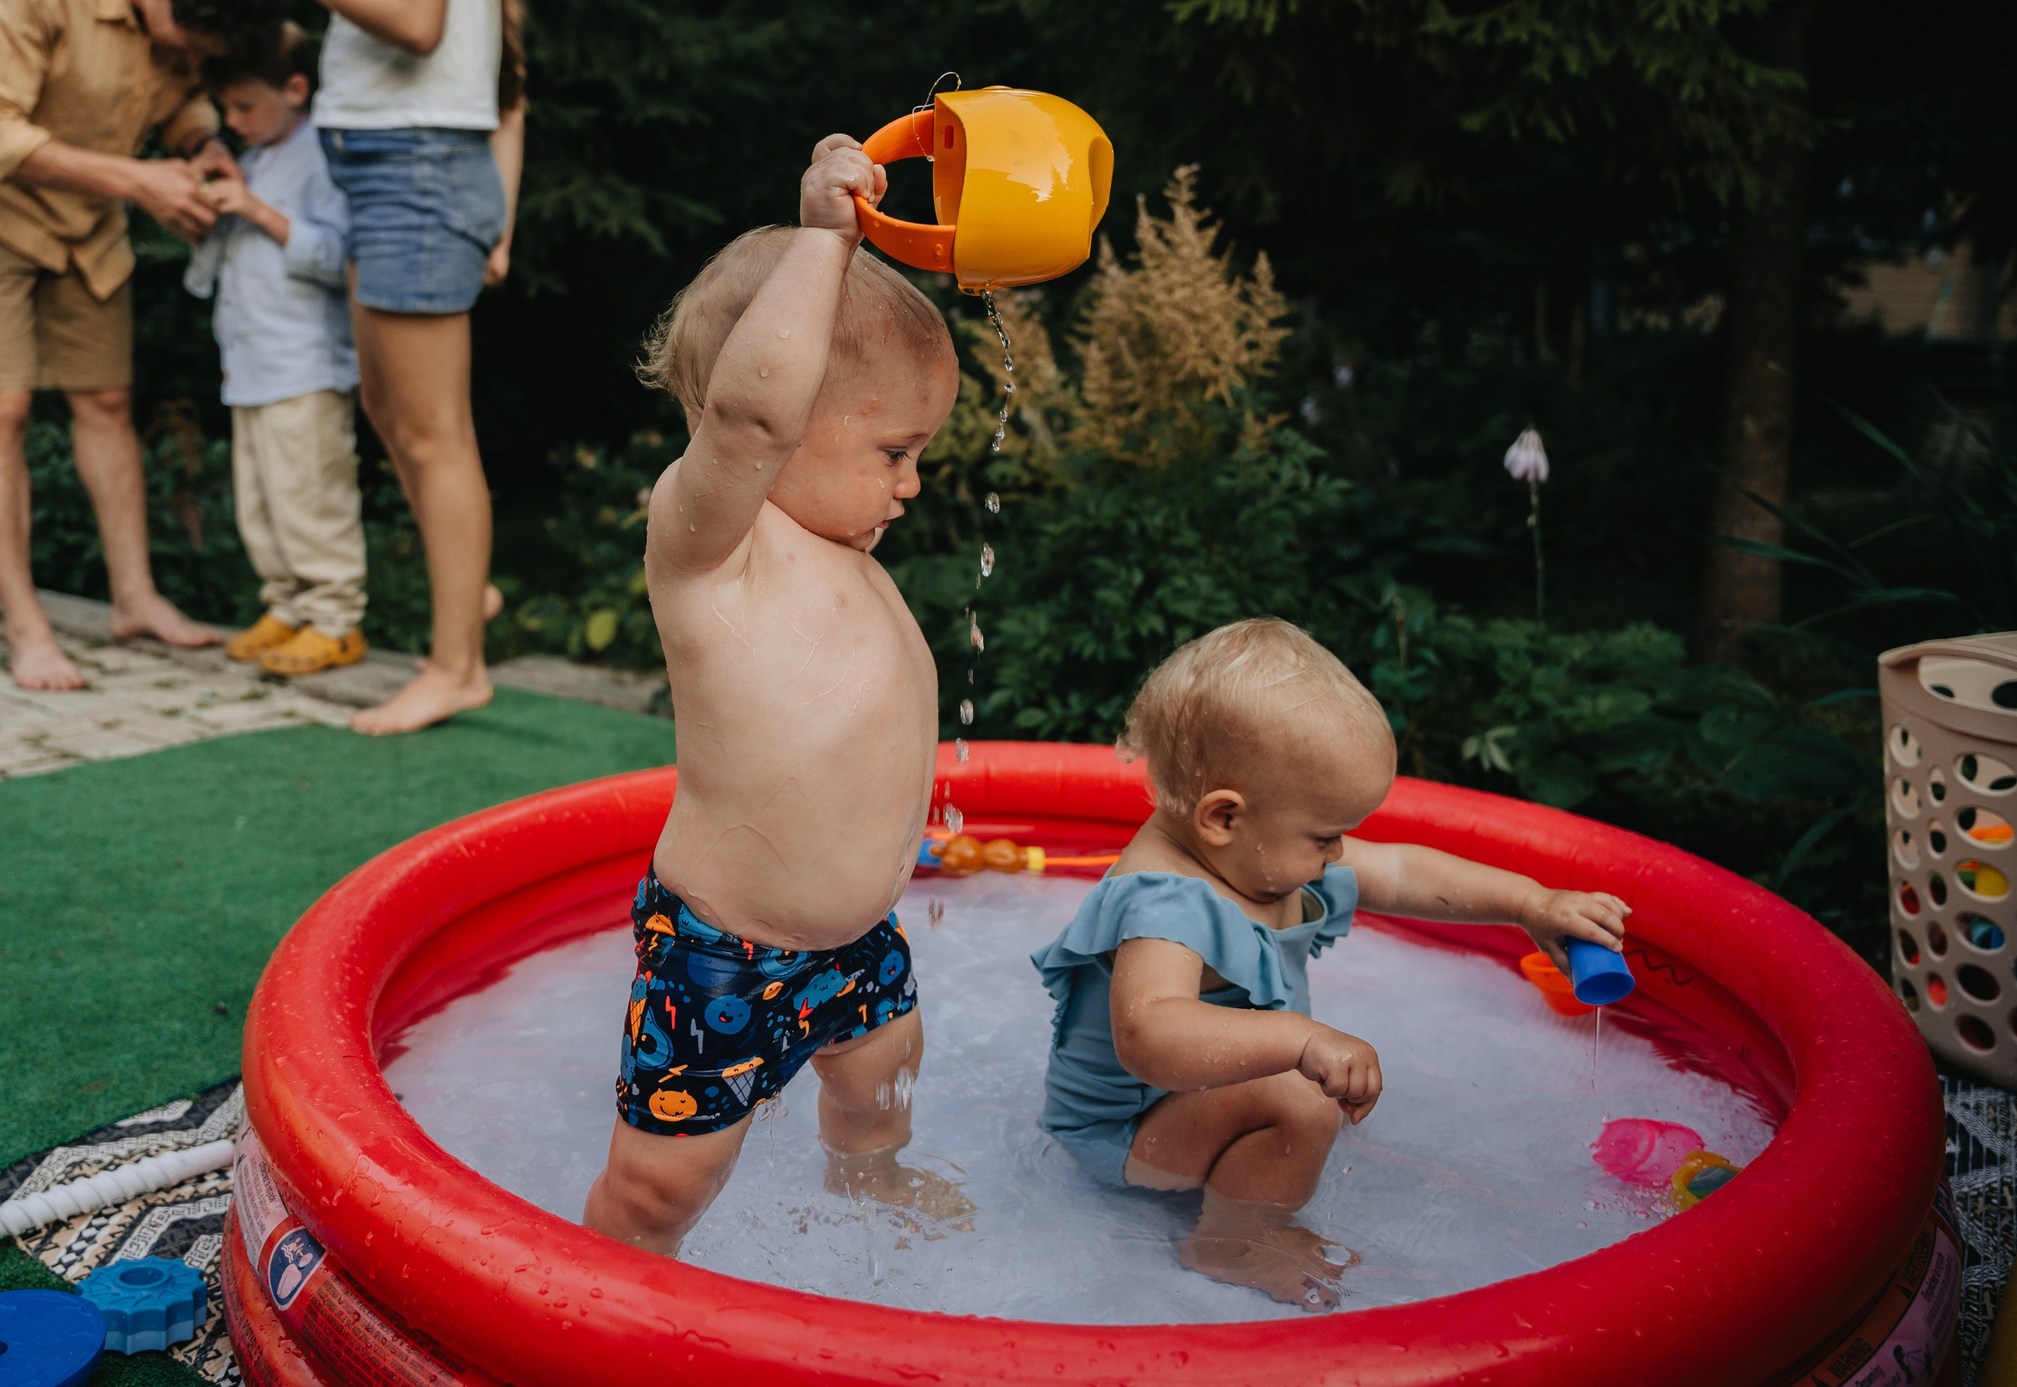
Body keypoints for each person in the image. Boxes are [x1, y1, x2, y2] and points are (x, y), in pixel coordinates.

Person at [578, 137, 970, 1257]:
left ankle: (869, 1186)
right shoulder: (712, 550)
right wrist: (824, 240)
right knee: (666, 1182)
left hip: (858, 940)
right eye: (896, 449)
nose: (914, 481)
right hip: (728, 953)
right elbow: (749, 420)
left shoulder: (847, 553)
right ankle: (603, 1285)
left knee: (881, 1084)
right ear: (782, 420)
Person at [1034, 619, 1634, 1310]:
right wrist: (1301, 1041)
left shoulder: (1260, 853)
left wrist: (1529, 902)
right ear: (1223, 817)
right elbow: (1150, 1035)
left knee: (1300, 1090)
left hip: (1186, 1111)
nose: (1340, 851)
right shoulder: (1166, 900)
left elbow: (1402, 869)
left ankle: (1254, 1158)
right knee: (1301, 1093)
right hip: (1124, 1136)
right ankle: (1231, 1238)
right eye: (1326, 835)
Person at [217, 0, 526, 735]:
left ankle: (456, 667)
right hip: (389, 174)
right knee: (395, 412)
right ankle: (460, 588)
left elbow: (416, 23)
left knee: (432, 432)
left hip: (413, 174)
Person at [0, 0, 290, 691]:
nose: (189, 61)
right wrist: (138, 181)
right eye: (186, 46)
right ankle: (26, 626)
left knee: (108, 398)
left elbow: (180, 91)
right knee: (1, 407)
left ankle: (135, 599)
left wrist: (200, 145)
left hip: (82, 212)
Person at [184, 22, 368, 675]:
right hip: (251, 362)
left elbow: (341, 253)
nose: (232, 122)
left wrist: (257, 211)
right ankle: (286, 604)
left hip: (306, 362)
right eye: (226, 110)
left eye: (244, 107)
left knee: (310, 492)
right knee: (260, 499)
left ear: (295, 88)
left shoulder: (324, 154)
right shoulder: (254, 157)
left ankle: (335, 616)